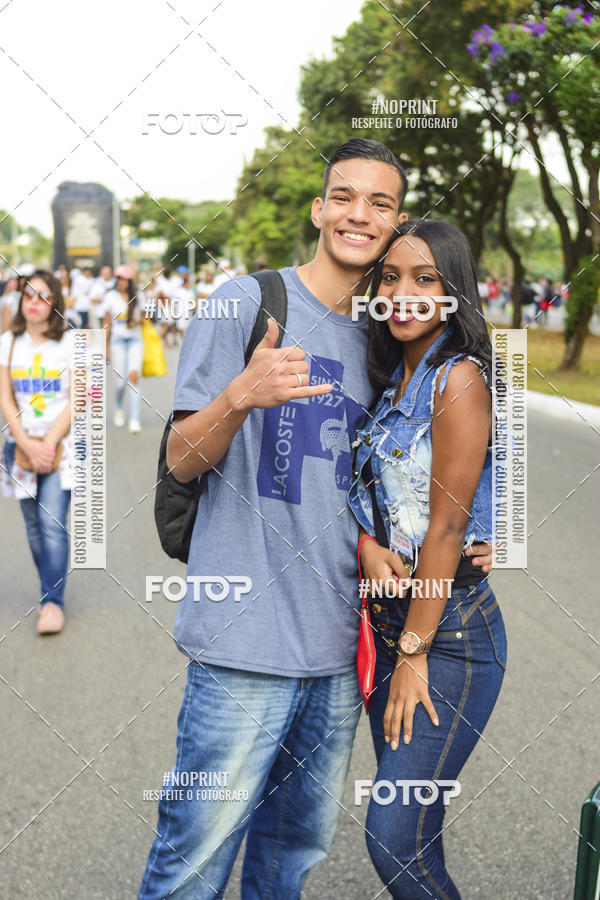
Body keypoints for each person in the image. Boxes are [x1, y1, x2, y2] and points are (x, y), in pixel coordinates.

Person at [138, 139, 493, 899]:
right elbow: (179, 459)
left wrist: (371, 540)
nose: (359, 214)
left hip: (341, 654)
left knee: (288, 860)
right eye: (344, 196)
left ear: (395, 219)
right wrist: (240, 395)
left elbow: (379, 476)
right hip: (242, 648)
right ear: (319, 207)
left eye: (380, 203)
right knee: (191, 861)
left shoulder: (381, 338)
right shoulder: (244, 302)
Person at [348, 220, 506, 898]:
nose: (403, 293)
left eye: (425, 279)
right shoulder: (390, 382)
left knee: (391, 838)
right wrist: (364, 547)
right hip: (384, 632)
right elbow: (369, 502)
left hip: (448, 638)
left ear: (453, 293)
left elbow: (445, 528)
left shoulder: (457, 378)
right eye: (390, 277)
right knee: (414, 828)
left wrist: (414, 650)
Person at [0, 270, 73, 635]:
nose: (33, 302)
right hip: (20, 447)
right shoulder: (8, 342)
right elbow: (5, 396)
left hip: (62, 447)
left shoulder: (72, 343)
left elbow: (78, 400)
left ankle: (52, 603)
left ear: (55, 301)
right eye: (28, 295)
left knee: (52, 523)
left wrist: (48, 443)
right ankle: (49, 589)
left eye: (43, 296)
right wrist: (26, 442)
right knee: (32, 526)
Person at [103, 263, 144, 433]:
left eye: (123, 279)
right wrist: (104, 347)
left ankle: (134, 418)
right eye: (118, 279)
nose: (120, 282)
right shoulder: (110, 297)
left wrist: (137, 321)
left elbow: (146, 317)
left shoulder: (139, 296)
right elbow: (106, 323)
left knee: (134, 377)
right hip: (117, 342)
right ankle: (119, 408)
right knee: (120, 382)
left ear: (129, 280)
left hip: (135, 341)